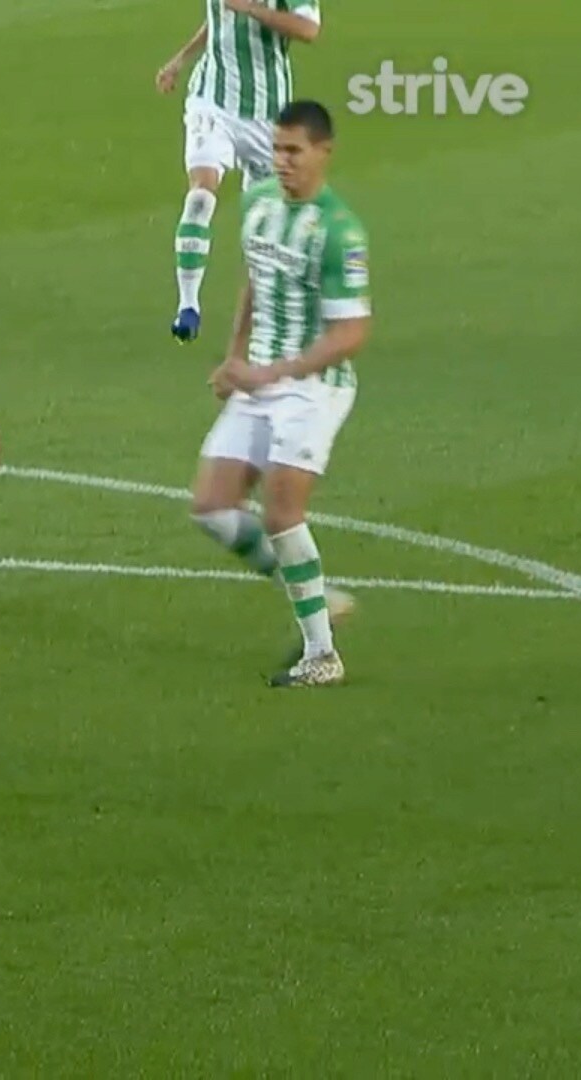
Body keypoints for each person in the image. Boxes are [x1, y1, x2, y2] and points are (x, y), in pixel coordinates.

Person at [192, 100, 369, 687]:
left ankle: (323, 655)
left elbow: (351, 333)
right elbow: (255, 278)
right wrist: (235, 357)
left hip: (313, 389)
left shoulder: (340, 232)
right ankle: (320, 596)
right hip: (259, 378)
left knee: (281, 514)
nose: (282, 161)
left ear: (323, 153)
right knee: (213, 508)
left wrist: (275, 373)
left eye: (294, 151)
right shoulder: (260, 203)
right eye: (276, 149)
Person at [158, 0, 323, 343]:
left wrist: (251, 8)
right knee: (201, 195)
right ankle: (188, 306)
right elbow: (221, 17)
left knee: (269, 226)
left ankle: (266, 321)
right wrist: (182, 58)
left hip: (268, 114)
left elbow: (308, 29)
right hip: (212, 101)